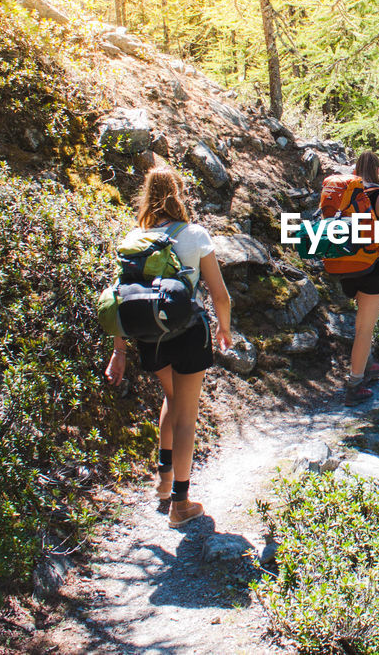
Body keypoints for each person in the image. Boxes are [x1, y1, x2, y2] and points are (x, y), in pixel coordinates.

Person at [104, 167, 233, 527]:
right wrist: (224, 328)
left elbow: (118, 301)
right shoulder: (194, 235)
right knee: (187, 417)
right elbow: (219, 294)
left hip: (150, 336)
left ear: (146, 195)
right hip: (189, 334)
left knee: (170, 399)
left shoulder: (135, 239)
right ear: (178, 193)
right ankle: (181, 502)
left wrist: (119, 352)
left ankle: (162, 482)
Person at [339, 151, 379, 406]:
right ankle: (354, 384)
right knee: (365, 328)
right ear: (378, 170)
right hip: (371, 269)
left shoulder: (346, 193)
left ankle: (368, 364)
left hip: (344, 268)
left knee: (360, 323)